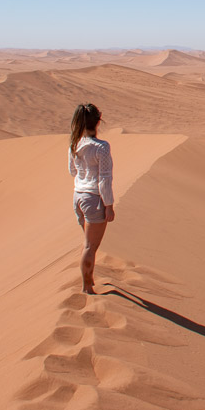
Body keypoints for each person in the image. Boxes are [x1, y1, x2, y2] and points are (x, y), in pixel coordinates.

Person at [68, 103, 115, 294]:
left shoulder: (74, 144)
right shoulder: (101, 147)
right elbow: (105, 178)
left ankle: (90, 281)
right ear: (98, 121)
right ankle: (87, 288)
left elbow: (72, 171)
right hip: (94, 198)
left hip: (78, 197)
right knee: (90, 246)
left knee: (88, 244)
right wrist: (109, 205)